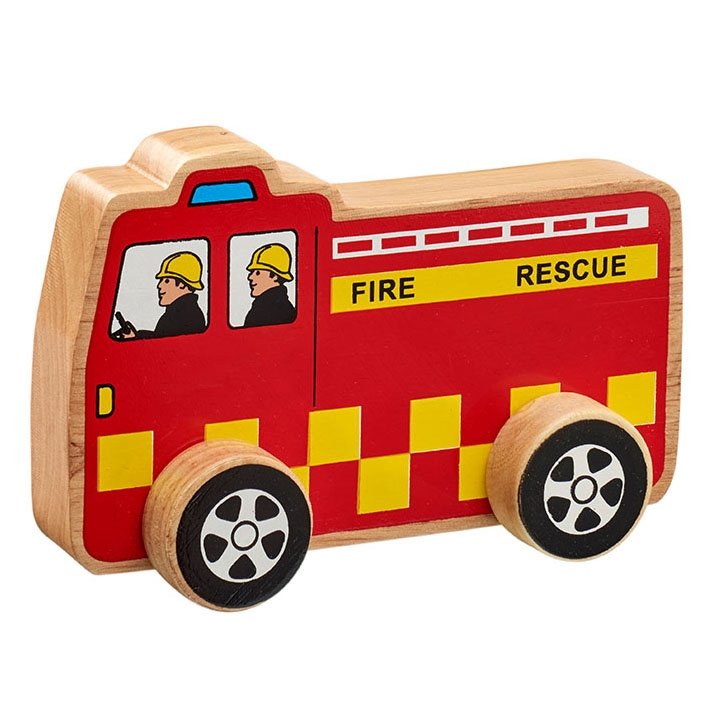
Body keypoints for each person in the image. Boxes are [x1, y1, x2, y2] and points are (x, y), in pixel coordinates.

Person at [114, 251, 206, 339]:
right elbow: (160, 337)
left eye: (166, 281)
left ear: (182, 284)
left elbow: (166, 345)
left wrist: (136, 339)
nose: (159, 285)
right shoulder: (179, 312)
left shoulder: (186, 315)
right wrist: (137, 336)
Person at [244, 243, 296, 327]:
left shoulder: (266, 310)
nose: (250, 277)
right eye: (251, 272)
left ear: (274, 276)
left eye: (257, 273)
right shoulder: (264, 306)